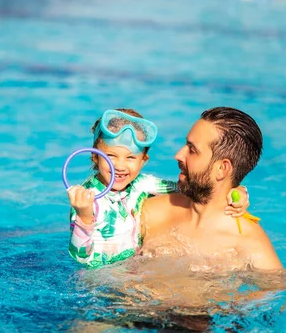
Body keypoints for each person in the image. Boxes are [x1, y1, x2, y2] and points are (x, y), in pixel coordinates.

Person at [67, 109, 257, 269]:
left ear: (143, 161)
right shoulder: (86, 199)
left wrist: (237, 190)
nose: (120, 166)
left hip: (131, 276)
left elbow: (190, 188)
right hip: (97, 284)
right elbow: (80, 258)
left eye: (130, 158)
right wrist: (84, 216)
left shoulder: (142, 185)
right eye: (111, 156)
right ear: (94, 157)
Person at [140, 106, 283, 270]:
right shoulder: (151, 211)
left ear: (222, 168)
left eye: (192, 150)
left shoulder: (249, 244)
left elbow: (278, 292)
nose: (179, 155)